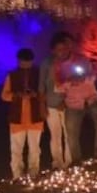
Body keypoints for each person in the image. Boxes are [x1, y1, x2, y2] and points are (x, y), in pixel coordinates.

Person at [56, 48, 97, 163]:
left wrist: (85, 76)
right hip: (73, 104)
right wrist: (68, 80)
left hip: (92, 100)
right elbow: (59, 86)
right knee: (72, 133)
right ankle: (76, 160)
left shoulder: (83, 60)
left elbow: (93, 74)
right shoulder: (60, 66)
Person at [1, 48, 42, 179]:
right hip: (17, 117)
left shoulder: (39, 74)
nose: (25, 65)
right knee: (16, 149)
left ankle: (33, 173)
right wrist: (17, 95)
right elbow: (4, 96)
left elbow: (44, 93)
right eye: (23, 62)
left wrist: (35, 95)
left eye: (28, 63)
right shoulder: (11, 75)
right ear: (18, 61)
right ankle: (17, 175)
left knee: (34, 148)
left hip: (35, 117)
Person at [39, 32, 73, 169]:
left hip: (68, 104)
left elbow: (75, 85)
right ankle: (57, 163)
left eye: (64, 49)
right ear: (52, 50)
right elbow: (41, 85)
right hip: (51, 104)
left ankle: (70, 162)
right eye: (58, 49)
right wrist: (42, 105)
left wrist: (66, 101)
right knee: (55, 135)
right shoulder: (46, 64)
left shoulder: (71, 63)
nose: (61, 52)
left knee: (69, 134)